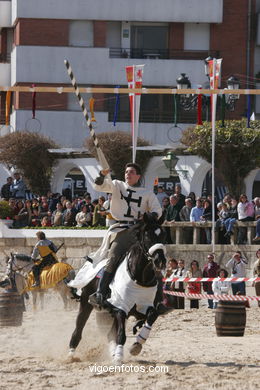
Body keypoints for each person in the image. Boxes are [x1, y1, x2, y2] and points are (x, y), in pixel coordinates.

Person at [89, 162, 162, 308]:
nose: (128, 174)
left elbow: (157, 210)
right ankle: (100, 293)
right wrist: (102, 175)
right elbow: (99, 186)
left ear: (138, 176)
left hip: (140, 232)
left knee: (155, 257)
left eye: (132, 172)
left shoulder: (147, 193)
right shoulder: (117, 185)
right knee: (113, 257)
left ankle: (159, 299)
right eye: (127, 171)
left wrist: (148, 216)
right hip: (121, 230)